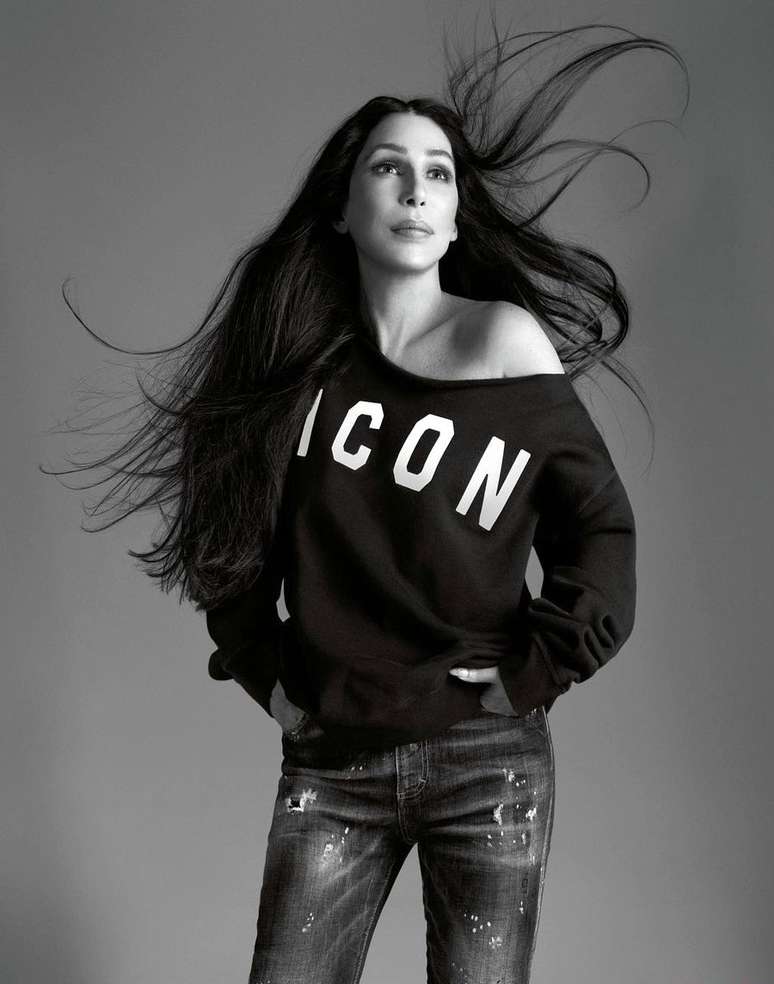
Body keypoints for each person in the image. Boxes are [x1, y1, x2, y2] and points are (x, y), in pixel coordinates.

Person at [45, 21, 686, 984]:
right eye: (389, 168)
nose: (417, 190)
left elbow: (600, 527)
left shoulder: (503, 345)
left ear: (457, 217)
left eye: (438, 174)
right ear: (344, 210)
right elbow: (230, 539)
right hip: (333, 759)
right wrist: (267, 676)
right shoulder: (296, 367)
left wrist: (538, 668)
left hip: (487, 756)